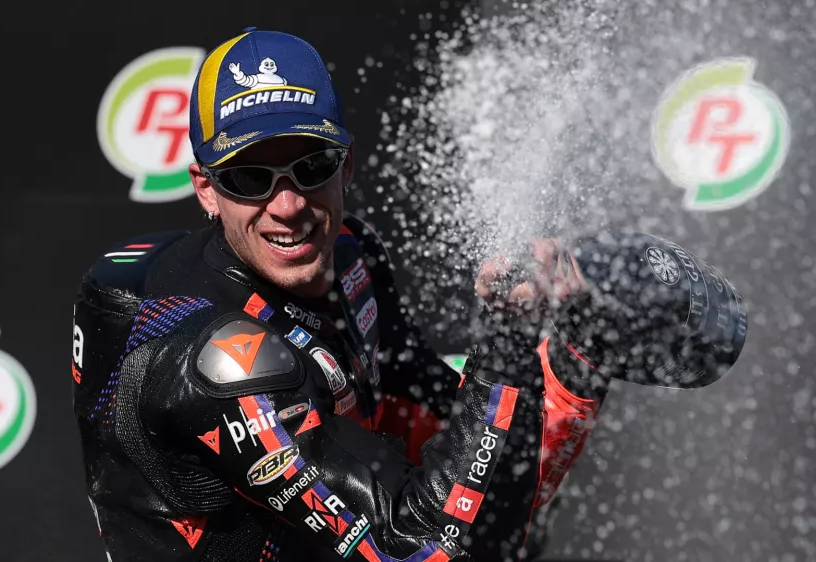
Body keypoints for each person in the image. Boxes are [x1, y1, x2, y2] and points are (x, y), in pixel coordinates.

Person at [72, 27, 747, 562]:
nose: (288, 206)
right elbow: (420, 550)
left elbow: (444, 430)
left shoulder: (350, 256)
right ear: (205, 189)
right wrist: (507, 346)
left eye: (311, 167)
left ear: (346, 166)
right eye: (250, 177)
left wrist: (573, 347)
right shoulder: (212, 360)